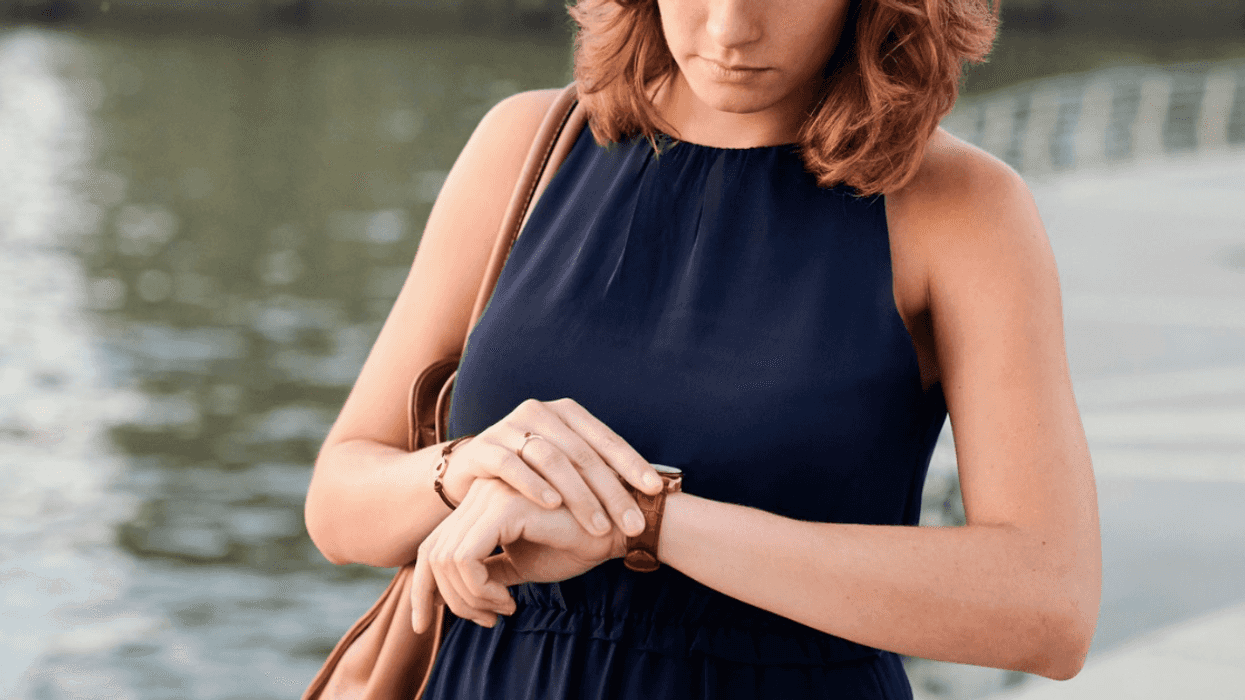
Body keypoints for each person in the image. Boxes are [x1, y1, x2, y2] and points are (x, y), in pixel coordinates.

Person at [303, 0, 1103, 697]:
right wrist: (472, 470)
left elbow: (1047, 607)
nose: (728, 28)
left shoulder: (962, 209)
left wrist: (646, 522)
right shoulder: (524, 148)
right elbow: (338, 507)